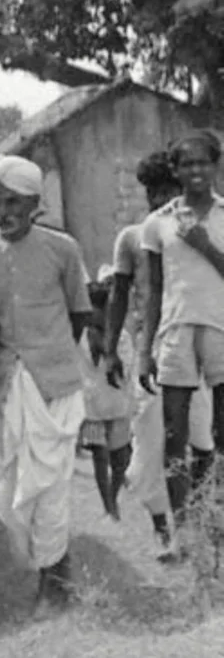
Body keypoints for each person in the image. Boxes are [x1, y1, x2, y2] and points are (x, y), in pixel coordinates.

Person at [0, 154, 93, 616]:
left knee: (51, 486)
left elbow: (79, 313)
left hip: (54, 382)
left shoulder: (63, 249)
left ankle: (53, 584)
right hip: (7, 383)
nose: (2, 213)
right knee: (17, 489)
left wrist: (48, 357)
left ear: (34, 202)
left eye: (13, 202)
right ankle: (52, 571)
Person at [132, 133, 224, 548]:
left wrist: (205, 245)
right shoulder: (158, 223)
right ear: (176, 171)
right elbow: (152, 290)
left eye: (203, 163)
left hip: (221, 328)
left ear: (216, 165)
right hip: (174, 332)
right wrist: (143, 352)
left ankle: (216, 519)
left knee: (222, 432)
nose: (196, 171)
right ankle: (180, 530)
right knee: (174, 434)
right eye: (187, 165)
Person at [103, 150, 194, 550]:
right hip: (150, 356)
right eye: (153, 193)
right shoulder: (131, 239)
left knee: (200, 442)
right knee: (151, 446)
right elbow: (118, 297)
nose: (160, 200)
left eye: (168, 191)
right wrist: (109, 350)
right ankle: (165, 533)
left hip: (199, 350)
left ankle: (195, 531)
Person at [79, 265, 135, 521]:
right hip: (93, 406)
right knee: (100, 456)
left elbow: (125, 370)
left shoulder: (121, 338)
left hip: (117, 403)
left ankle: (113, 497)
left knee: (120, 459)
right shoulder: (81, 337)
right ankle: (108, 505)